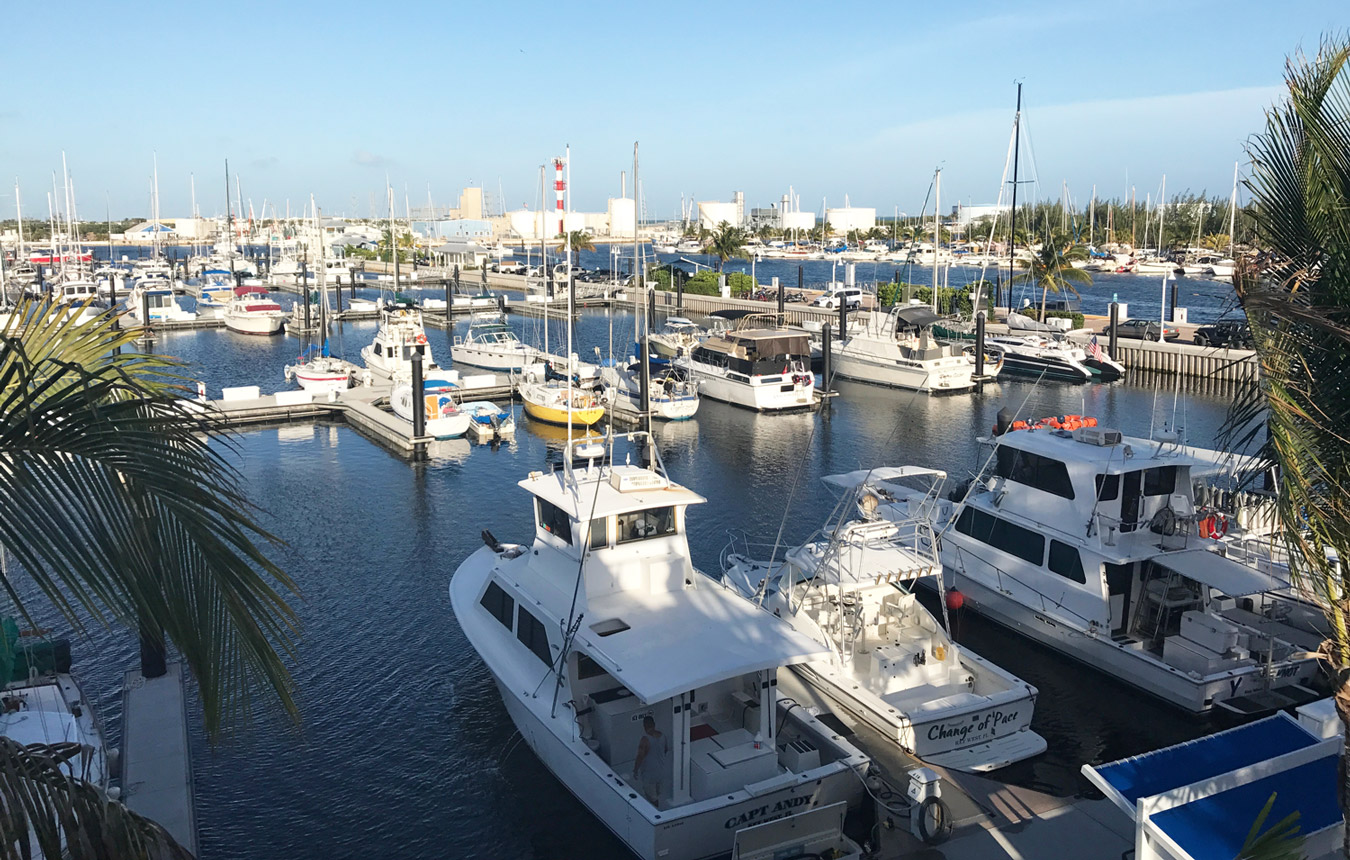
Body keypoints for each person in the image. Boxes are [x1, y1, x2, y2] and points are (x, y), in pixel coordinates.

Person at [632, 715, 668, 806]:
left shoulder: (644, 740)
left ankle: (656, 810)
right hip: (661, 772)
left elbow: (640, 756)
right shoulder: (663, 736)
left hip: (649, 774)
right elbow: (665, 750)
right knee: (658, 792)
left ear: (644, 726)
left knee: (651, 797)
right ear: (654, 724)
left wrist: (635, 770)